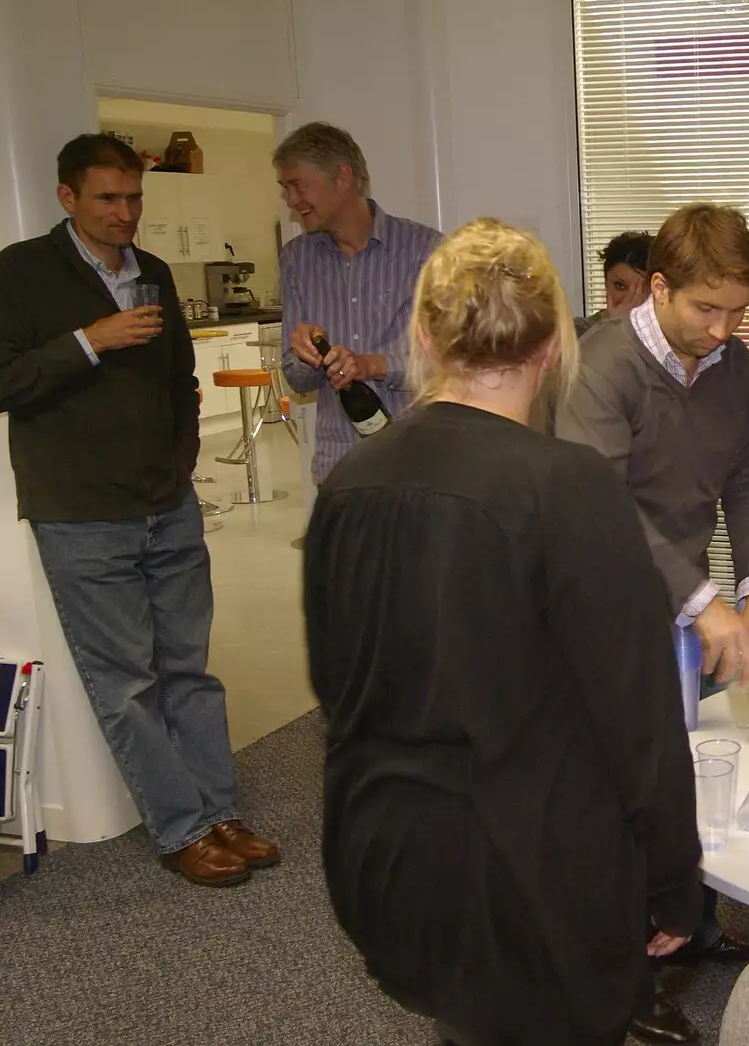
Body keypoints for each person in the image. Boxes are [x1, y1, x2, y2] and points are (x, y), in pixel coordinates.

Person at [302, 218, 702, 1046]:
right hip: (533, 881)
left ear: (421, 334)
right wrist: (673, 881)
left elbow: (337, 688)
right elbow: (641, 723)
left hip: (384, 859)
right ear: (556, 345)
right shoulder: (569, 488)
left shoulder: (347, 484)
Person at [0, 134, 277, 886]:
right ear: (68, 198)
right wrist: (89, 342)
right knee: (125, 681)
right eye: (108, 199)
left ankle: (219, 810)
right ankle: (179, 827)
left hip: (167, 502)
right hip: (82, 513)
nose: (126, 213)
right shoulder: (22, 272)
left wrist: (184, 456)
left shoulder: (150, 272)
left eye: (134, 198)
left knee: (189, 669)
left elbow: (178, 378)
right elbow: (7, 381)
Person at [556, 202, 749, 1044]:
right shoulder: (601, 366)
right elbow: (602, 507)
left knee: (677, 769)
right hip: (603, 607)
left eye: (738, 311)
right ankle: (626, 980)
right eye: (707, 310)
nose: (726, 329)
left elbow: (748, 480)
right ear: (658, 287)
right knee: (617, 790)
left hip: (683, 599)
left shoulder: (727, 364)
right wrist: (705, 598)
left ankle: (680, 922)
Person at [274, 121, 442, 484]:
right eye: (285, 189)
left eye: (298, 185)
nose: (291, 200)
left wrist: (372, 365)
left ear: (343, 176)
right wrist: (307, 354)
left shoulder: (425, 251)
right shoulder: (296, 260)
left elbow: (446, 365)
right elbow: (297, 379)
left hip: (416, 468)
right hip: (339, 472)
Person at [575, 230, 653, 337]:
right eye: (620, 286)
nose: (630, 300)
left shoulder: (667, 340)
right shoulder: (579, 332)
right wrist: (614, 327)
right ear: (606, 283)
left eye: (643, 288)